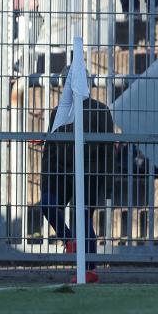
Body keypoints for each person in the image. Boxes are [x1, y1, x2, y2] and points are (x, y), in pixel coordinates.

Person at [41, 82, 116, 284]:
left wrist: (107, 185)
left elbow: (109, 150)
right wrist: (46, 180)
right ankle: (70, 241)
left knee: (81, 215)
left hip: (90, 171)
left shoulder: (100, 110)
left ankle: (89, 269)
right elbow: (50, 147)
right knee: (47, 202)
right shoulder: (59, 112)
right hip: (62, 171)